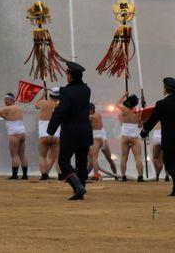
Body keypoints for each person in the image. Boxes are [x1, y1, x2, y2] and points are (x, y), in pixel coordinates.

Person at [140, 77, 175, 198]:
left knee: (169, 165)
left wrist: (144, 131)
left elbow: (152, 120)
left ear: (165, 89)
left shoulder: (161, 104)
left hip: (170, 141)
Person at [46, 62, 91, 200]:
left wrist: (51, 129)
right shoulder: (87, 90)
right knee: (81, 162)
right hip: (85, 131)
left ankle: (78, 187)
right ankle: (81, 188)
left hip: (71, 131)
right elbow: (75, 92)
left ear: (70, 76)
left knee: (63, 161)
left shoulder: (66, 92)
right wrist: (62, 90)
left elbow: (61, 111)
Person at [0, 93, 28, 180]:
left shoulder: (8, 108)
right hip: (22, 132)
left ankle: (15, 175)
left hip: (14, 133)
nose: (5, 101)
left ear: (12, 100)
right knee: (22, 154)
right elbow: (7, 117)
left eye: (7, 99)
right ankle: (25, 175)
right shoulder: (17, 108)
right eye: (5, 99)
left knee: (14, 154)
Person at [117, 93, 144, 181]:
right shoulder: (139, 112)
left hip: (125, 134)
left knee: (124, 157)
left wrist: (124, 95)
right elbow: (140, 126)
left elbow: (117, 104)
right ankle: (140, 176)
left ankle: (123, 176)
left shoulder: (125, 110)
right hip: (134, 135)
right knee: (138, 157)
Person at [87, 103, 117, 180]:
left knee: (94, 158)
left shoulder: (90, 117)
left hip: (96, 138)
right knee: (108, 159)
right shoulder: (98, 115)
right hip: (103, 138)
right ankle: (116, 175)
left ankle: (96, 174)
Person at [35, 88, 60, 180]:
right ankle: (60, 175)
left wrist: (43, 94)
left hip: (43, 134)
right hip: (55, 134)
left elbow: (36, 105)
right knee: (57, 157)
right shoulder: (59, 104)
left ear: (50, 95)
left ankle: (44, 175)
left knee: (42, 156)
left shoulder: (43, 103)